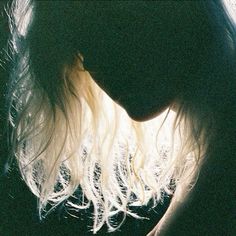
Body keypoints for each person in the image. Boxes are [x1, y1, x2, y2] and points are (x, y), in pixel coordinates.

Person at [1, 0, 235, 235]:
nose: (99, 68)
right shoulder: (210, 149)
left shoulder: (225, 160)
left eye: (118, 34)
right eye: (86, 50)